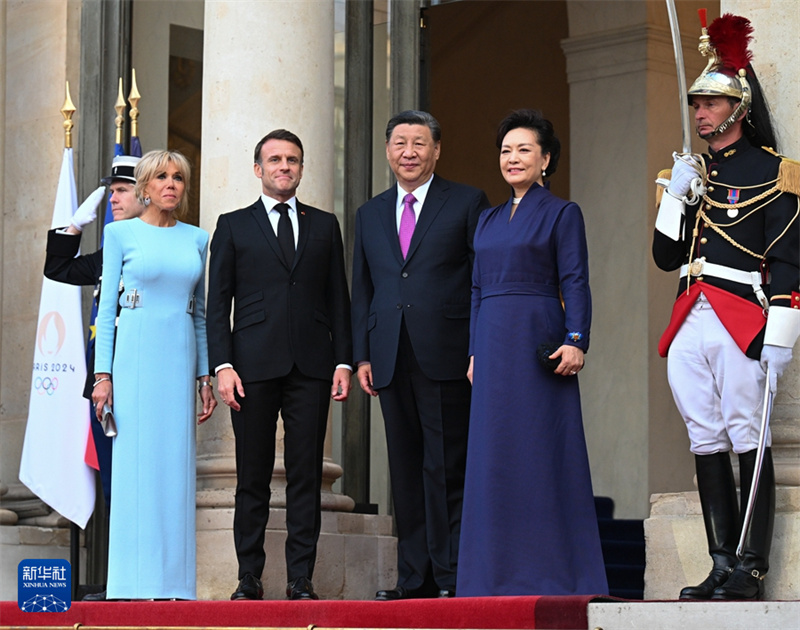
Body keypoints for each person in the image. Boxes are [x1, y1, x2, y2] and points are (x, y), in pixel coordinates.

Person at [652, 13, 799, 601]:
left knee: (746, 433)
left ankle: (752, 566)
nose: (700, 113)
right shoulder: (691, 175)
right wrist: (676, 197)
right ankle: (720, 562)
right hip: (689, 313)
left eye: (711, 103)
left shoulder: (774, 172)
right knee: (704, 435)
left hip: (742, 312)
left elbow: (787, 259)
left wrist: (783, 330)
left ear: (738, 109)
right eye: (697, 104)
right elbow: (665, 256)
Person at [456, 109, 607, 597]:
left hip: (539, 341)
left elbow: (575, 281)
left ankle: (554, 575)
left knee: (541, 454)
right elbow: (476, 291)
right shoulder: (487, 219)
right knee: (494, 458)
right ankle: (490, 578)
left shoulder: (563, 213)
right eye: (505, 150)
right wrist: (475, 351)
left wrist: (577, 339)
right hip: (493, 348)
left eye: (524, 149)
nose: (512, 158)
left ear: (546, 159)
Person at [206, 129, 352, 601]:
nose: (284, 166)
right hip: (249, 367)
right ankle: (249, 577)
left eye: (292, 159)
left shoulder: (325, 225)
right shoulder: (232, 224)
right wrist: (221, 364)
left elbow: (339, 301)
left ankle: (299, 579)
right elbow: (217, 305)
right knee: (251, 475)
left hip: (312, 366)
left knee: (306, 475)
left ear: (302, 168)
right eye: (275, 160)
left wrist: (344, 361)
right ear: (258, 169)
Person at [351, 110, 490, 600]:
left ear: (436, 151)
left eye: (419, 143)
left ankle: (452, 575)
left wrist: (480, 347)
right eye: (399, 143)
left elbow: (481, 280)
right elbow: (363, 289)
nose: (408, 152)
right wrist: (361, 355)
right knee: (405, 468)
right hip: (389, 355)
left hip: (447, 352)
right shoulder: (369, 213)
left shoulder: (468, 202)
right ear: (388, 150)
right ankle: (413, 577)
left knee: (446, 466)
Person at [92, 150, 217, 600]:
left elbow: (200, 313)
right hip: (134, 358)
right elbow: (107, 312)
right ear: (144, 186)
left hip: (179, 355)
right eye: (161, 176)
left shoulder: (198, 239)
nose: (170, 184)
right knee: (135, 469)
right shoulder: (119, 233)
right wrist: (101, 376)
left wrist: (205, 377)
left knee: (174, 469)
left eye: (178, 177)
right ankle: (127, 583)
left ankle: (175, 585)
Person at [44, 154, 144, 602]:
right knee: (112, 484)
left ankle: (141, 577)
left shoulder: (156, 247)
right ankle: (121, 579)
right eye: (111, 192)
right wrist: (73, 228)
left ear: (146, 193)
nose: (112, 200)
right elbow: (58, 270)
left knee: (140, 482)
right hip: (104, 388)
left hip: (143, 378)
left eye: (121, 191)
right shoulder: (111, 252)